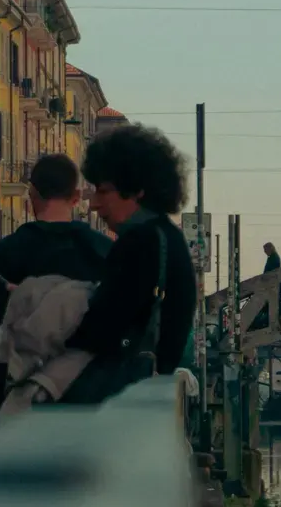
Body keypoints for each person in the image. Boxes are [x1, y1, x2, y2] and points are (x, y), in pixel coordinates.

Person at [64, 124, 199, 400]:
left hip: (121, 397)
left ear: (136, 189)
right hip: (151, 395)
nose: (93, 205)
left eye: (103, 192)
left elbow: (104, 326)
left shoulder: (140, 243)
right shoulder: (168, 238)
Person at [0, 154, 113, 412]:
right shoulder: (102, 251)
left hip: (23, 393)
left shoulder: (10, 251)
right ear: (76, 197)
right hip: (87, 394)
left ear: (32, 195)